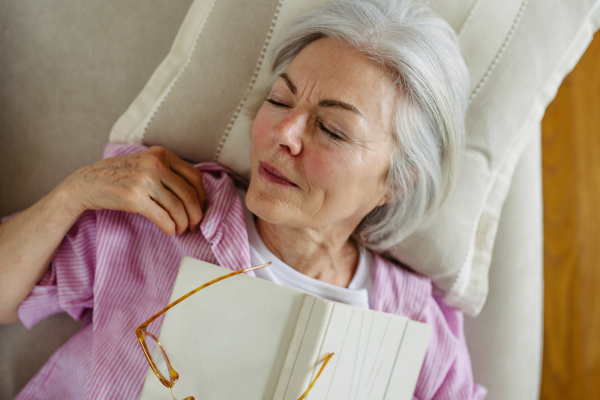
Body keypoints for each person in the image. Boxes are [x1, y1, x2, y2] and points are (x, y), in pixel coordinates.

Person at [0, 0, 486, 399]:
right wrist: (74, 194)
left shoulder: (413, 325)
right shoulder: (167, 218)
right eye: (279, 100)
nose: (284, 134)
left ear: (397, 181)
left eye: (333, 130)